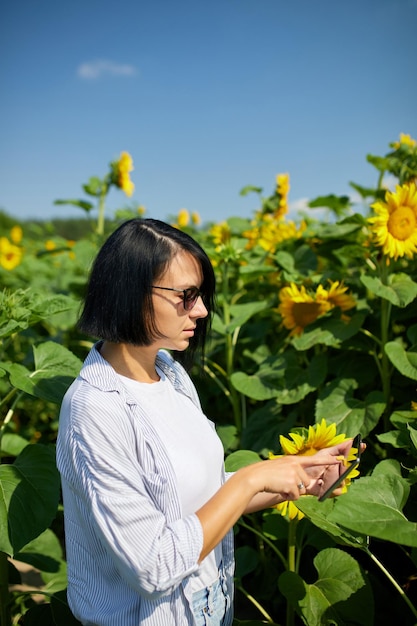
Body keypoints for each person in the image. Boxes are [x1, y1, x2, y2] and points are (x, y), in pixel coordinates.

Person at [56, 218, 353, 626]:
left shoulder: (171, 374)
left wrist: (298, 476)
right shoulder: (94, 410)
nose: (201, 309)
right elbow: (153, 566)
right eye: (186, 295)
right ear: (131, 291)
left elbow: (200, 499)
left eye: (201, 295)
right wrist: (251, 479)